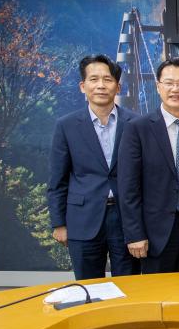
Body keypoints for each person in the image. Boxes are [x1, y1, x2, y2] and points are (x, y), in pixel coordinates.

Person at [48, 54, 139, 279]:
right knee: (89, 287)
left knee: (129, 287)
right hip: (83, 218)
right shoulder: (66, 126)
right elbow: (57, 180)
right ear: (83, 86)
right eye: (94, 79)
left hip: (126, 219)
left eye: (107, 80)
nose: (101, 85)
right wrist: (59, 224)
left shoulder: (136, 123)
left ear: (118, 87)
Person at [119, 58, 179, 273]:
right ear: (158, 87)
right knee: (158, 289)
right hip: (156, 229)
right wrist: (135, 234)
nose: (175, 89)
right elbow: (128, 187)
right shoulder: (138, 128)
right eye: (169, 83)